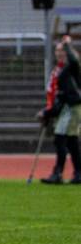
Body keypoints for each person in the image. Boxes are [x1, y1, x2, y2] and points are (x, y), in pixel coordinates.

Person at [38, 34, 81, 184]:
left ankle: (58, 173)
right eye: (57, 50)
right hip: (63, 107)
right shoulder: (58, 69)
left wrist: (68, 45)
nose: (59, 53)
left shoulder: (72, 66)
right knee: (71, 141)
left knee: (61, 138)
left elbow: (75, 60)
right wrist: (50, 110)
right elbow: (55, 93)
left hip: (71, 106)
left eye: (62, 50)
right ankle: (77, 173)